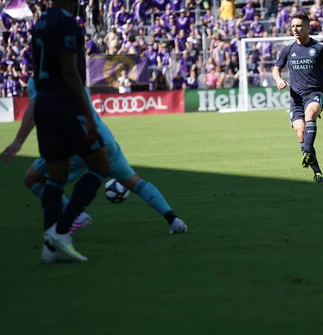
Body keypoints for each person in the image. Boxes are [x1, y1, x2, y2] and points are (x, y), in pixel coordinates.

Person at [1, 75, 188, 263]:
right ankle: (174, 220)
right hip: (103, 137)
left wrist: (18, 141)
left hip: (72, 143)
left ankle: (73, 218)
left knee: (33, 179)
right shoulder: (75, 73)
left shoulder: (40, 79)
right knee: (134, 182)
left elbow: (35, 109)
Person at [28, 0, 111, 262]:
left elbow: (37, 69)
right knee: (100, 164)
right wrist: (88, 117)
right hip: (65, 105)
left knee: (56, 177)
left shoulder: (39, 22)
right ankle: (61, 231)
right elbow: (70, 73)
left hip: (44, 103)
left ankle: (50, 249)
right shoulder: (67, 24)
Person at [271, 11, 323, 183]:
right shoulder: (287, 49)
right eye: (293, 26)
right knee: (300, 133)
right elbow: (276, 69)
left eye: (299, 26)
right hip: (296, 98)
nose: (295, 29)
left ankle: (307, 152)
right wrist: (279, 80)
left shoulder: (319, 48)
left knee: (311, 114)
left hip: (315, 94)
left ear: (308, 28)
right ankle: (317, 173)